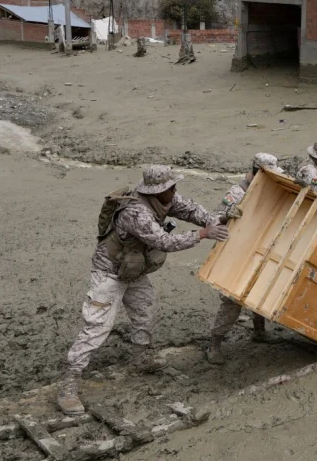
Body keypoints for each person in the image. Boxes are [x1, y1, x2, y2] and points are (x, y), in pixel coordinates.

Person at [58, 165, 229, 415]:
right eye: (171, 188)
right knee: (97, 327)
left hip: (133, 269)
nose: (175, 191)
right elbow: (165, 242)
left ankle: (140, 359)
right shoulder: (136, 212)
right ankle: (69, 385)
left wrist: (214, 220)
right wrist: (203, 234)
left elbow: (191, 209)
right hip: (108, 273)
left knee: (145, 311)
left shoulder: (166, 198)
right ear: (157, 191)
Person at [207, 153, 283, 365]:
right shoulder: (238, 191)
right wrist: (227, 215)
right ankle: (214, 343)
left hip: (256, 248)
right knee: (232, 301)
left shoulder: (267, 188)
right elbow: (214, 219)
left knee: (259, 290)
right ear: (257, 172)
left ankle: (259, 332)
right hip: (233, 251)